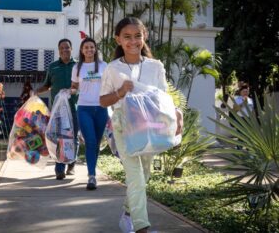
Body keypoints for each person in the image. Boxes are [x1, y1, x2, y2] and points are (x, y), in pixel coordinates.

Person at [99, 17, 183, 233]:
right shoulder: (112, 68)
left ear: (144, 37)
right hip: (123, 127)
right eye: (127, 37)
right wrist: (121, 92)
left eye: (138, 36)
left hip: (150, 127)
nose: (133, 41)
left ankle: (128, 214)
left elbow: (164, 96)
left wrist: (177, 114)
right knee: (135, 177)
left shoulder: (155, 66)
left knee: (144, 176)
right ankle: (141, 228)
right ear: (118, 39)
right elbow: (103, 101)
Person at [36, 38, 78, 180]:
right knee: (58, 138)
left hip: (74, 107)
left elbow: (83, 85)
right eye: (62, 48)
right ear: (58, 50)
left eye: (67, 47)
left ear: (71, 49)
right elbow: (47, 85)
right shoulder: (52, 67)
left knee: (73, 138)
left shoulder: (78, 66)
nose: (65, 50)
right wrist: (35, 92)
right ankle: (59, 169)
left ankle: (71, 163)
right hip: (58, 111)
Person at [71, 37, 108, 190]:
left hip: (101, 108)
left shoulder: (103, 66)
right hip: (84, 108)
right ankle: (91, 176)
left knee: (97, 143)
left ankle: (92, 171)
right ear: (82, 50)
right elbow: (74, 87)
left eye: (91, 47)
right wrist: (68, 91)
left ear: (95, 49)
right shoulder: (77, 68)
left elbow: (110, 84)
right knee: (91, 141)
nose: (89, 50)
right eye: (86, 47)